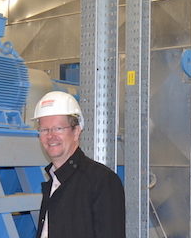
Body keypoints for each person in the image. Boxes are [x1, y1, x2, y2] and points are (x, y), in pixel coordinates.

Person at [31, 91, 125, 238]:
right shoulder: (54, 181)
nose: (50, 136)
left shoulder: (102, 181)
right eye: (44, 130)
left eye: (58, 128)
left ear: (76, 131)